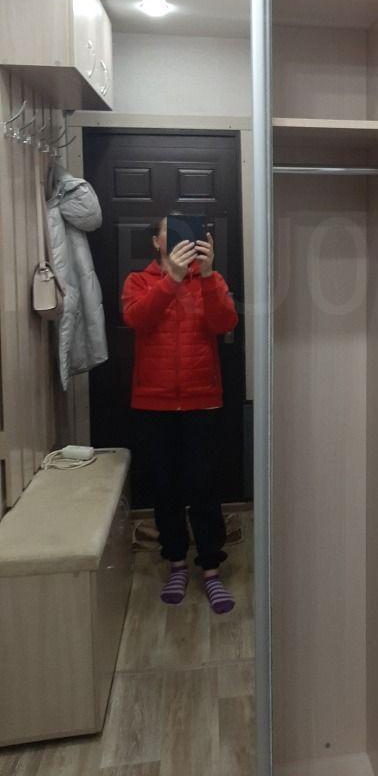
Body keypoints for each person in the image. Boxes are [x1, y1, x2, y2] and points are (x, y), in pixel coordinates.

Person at [121, 215, 239, 614]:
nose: (179, 240)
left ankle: (210, 569)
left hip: (201, 401)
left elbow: (225, 322)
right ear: (157, 242)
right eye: (170, 234)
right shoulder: (138, 281)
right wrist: (170, 279)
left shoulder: (210, 281)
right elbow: (137, 318)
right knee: (165, 487)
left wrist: (206, 275)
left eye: (189, 234)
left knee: (204, 487)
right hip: (153, 404)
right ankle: (175, 563)